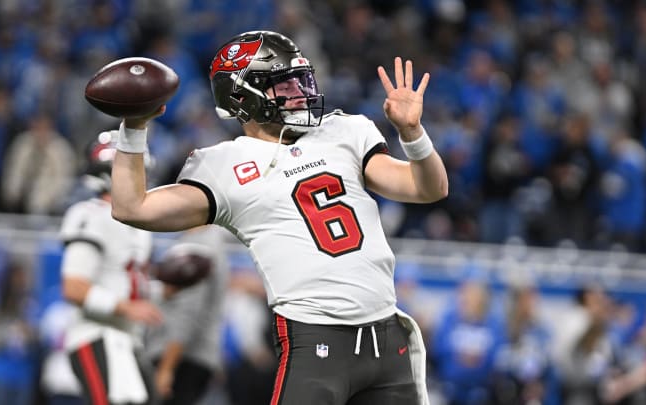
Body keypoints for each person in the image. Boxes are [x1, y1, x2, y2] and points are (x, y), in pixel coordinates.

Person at [110, 30, 448, 405]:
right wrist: (134, 127)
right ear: (242, 99)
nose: (299, 91)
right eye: (283, 85)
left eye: (300, 80)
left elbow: (427, 188)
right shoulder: (222, 165)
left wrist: (413, 134)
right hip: (315, 339)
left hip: (387, 341)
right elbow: (131, 207)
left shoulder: (343, 131)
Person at [60, 130, 162, 405]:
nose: (143, 178)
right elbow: (73, 288)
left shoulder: (139, 225)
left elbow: (127, 279)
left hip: (128, 339)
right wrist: (127, 308)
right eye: (134, 168)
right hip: (97, 335)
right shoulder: (89, 214)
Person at [144, 238, 229, 405]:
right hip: (190, 357)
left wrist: (166, 368)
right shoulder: (205, 244)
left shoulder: (199, 247)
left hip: (180, 358)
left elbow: (187, 316)